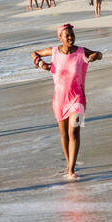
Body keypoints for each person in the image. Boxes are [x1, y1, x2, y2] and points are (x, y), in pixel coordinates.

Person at [32, 24, 102, 179]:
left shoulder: (82, 51)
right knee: (64, 134)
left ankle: (71, 169)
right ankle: (69, 162)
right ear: (60, 38)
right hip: (59, 100)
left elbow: (99, 54)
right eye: (67, 36)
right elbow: (34, 53)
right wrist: (40, 63)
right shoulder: (54, 52)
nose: (70, 37)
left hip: (78, 99)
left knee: (74, 131)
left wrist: (95, 56)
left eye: (72, 34)